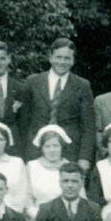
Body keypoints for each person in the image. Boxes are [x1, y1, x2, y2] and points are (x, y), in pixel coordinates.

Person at [23, 38, 96, 172]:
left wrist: (84, 158)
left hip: (69, 152)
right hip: (36, 150)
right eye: (58, 57)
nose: (62, 62)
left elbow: (88, 126)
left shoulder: (82, 85)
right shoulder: (33, 82)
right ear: (50, 57)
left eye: (67, 58)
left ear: (73, 60)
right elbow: (23, 121)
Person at [24, 125, 75, 221]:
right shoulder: (32, 166)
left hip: (66, 220)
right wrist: (37, 215)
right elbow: (27, 197)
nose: (52, 150)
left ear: (62, 147)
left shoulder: (70, 166)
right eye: (47, 146)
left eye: (56, 146)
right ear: (42, 148)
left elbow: (79, 197)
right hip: (38, 219)